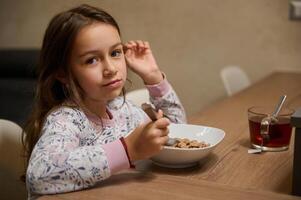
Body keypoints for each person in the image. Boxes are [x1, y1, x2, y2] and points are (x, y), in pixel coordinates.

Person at [23, 4, 186, 198]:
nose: (110, 68)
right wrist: (130, 149)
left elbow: (176, 136)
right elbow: (39, 176)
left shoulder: (123, 110)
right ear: (62, 73)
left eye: (115, 53)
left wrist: (153, 77)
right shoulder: (65, 120)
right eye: (92, 60)